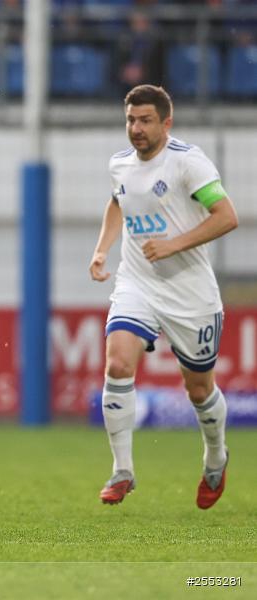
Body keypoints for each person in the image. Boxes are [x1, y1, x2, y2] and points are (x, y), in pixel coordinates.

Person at [89, 84, 238, 508]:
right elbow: (119, 202)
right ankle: (122, 470)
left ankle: (215, 455)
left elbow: (227, 216)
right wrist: (102, 249)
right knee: (117, 362)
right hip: (138, 283)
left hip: (189, 292)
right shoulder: (119, 165)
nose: (136, 129)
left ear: (166, 123)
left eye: (145, 120)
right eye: (131, 120)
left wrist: (174, 244)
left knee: (198, 389)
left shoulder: (188, 163)